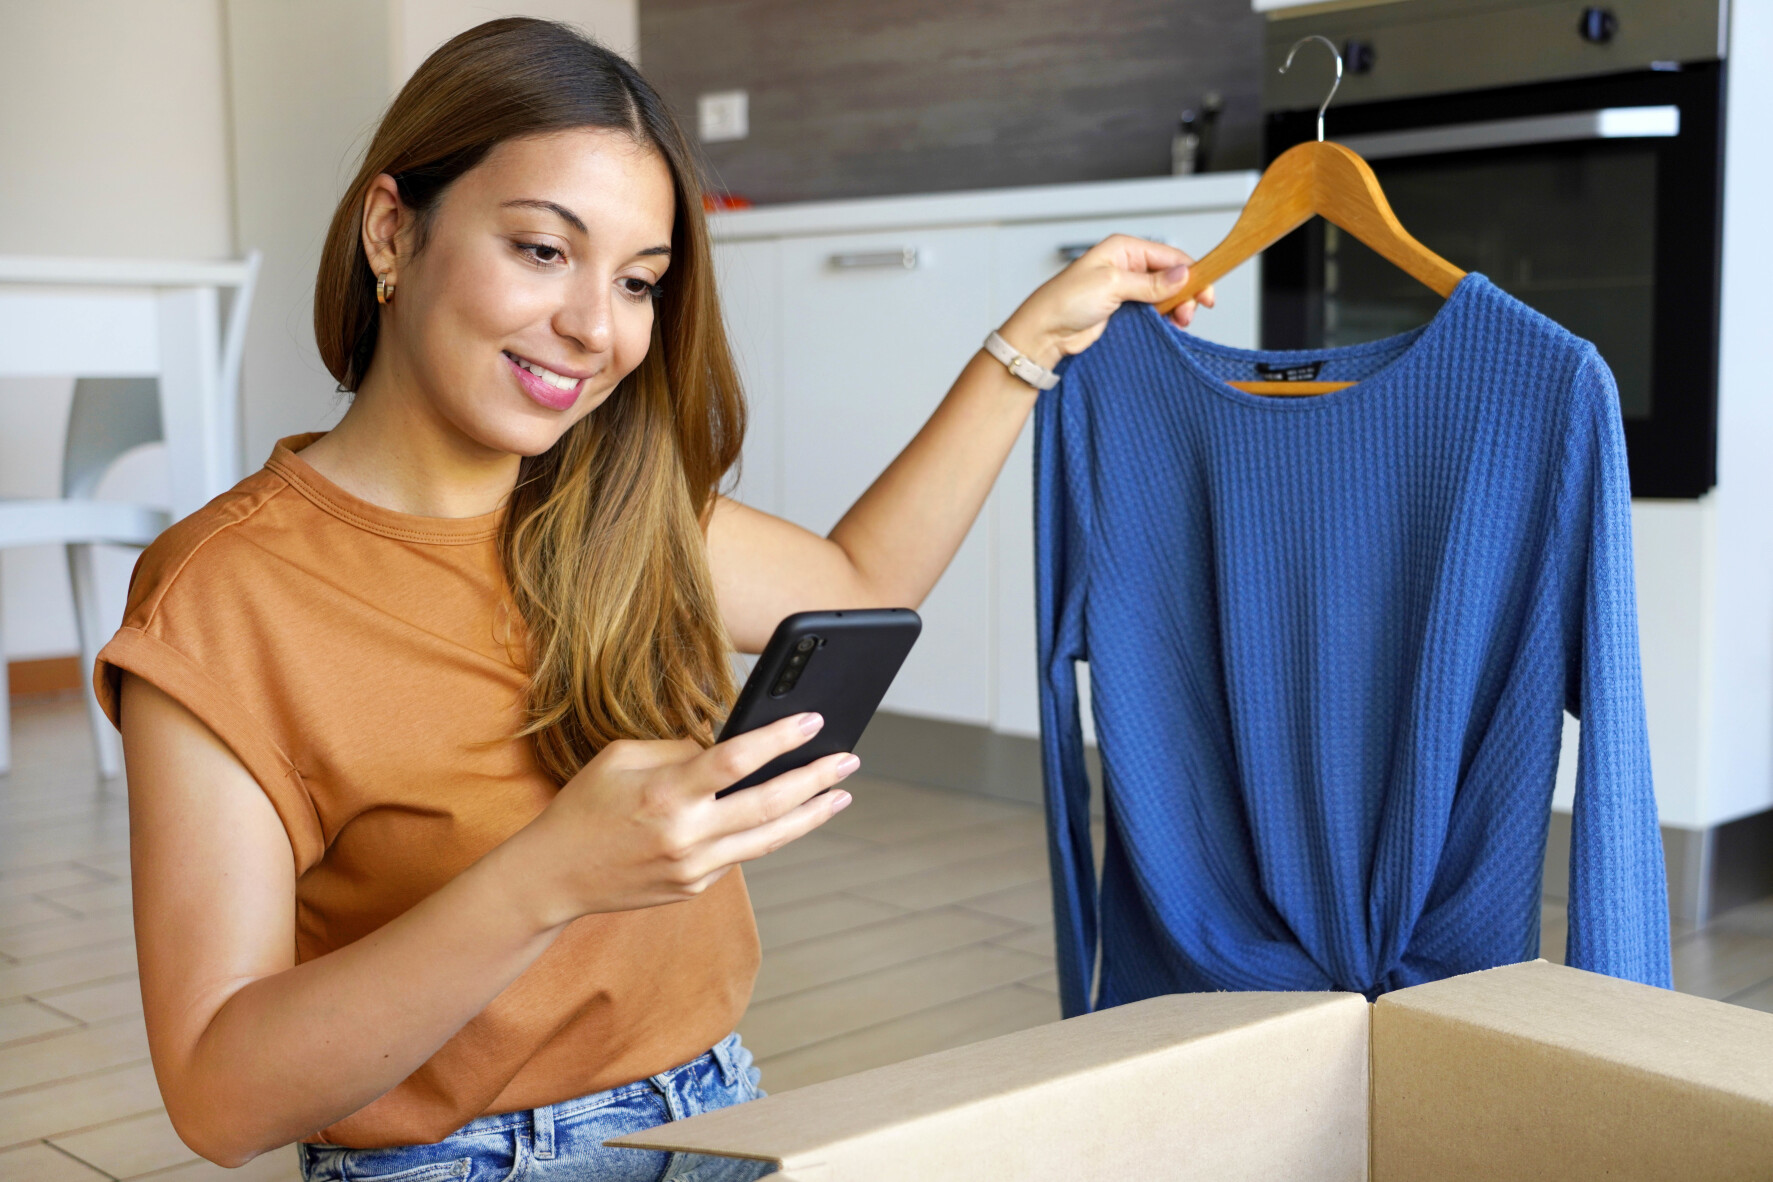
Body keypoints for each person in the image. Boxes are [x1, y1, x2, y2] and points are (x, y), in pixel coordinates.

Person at [98, 17, 1212, 1182]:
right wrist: (547, 879)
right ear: (392, 229)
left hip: (719, 1108)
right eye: (542, 250)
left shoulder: (619, 510)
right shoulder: (223, 592)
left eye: (638, 281)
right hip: (450, 1160)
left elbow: (859, 585)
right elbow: (219, 1097)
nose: (595, 328)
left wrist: (1028, 344)